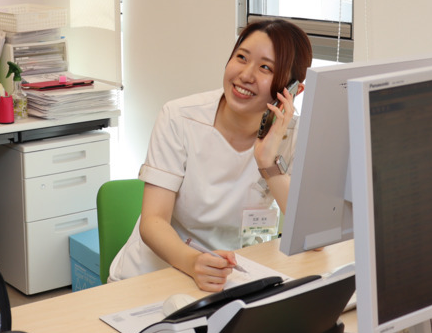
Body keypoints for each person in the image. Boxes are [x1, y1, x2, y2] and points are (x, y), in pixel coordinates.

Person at [108, 18, 311, 291]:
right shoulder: (180, 117)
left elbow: (311, 237)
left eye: (265, 67)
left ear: (294, 88)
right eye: (241, 57)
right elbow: (153, 221)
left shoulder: (294, 136)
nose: (246, 75)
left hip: (236, 279)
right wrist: (193, 262)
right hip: (157, 274)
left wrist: (268, 163)